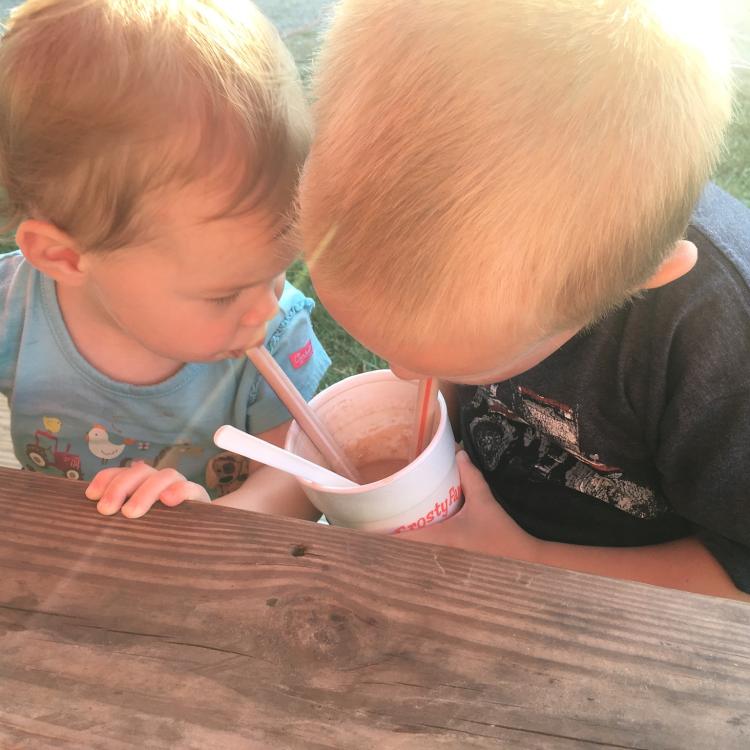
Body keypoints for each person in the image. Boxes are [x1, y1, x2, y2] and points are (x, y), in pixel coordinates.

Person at [298, 0, 750, 599]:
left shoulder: (719, 346)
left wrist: (528, 562)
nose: (404, 374)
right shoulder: (514, 292)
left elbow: (738, 571)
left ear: (632, 283)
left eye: (461, 366)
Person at [0, 0, 328, 520]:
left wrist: (210, 518)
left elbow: (302, 475)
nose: (265, 308)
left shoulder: (277, 334)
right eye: (223, 293)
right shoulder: (13, 310)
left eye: (276, 270)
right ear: (64, 256)